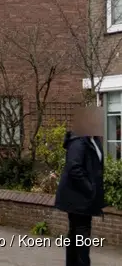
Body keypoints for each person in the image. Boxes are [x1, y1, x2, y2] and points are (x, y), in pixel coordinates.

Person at [55, 104, 105, 266]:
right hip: (78, 197)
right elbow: (74, 167)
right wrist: (89, 188)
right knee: (81, 233)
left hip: (83, 196)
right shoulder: (78, 142)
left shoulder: (93, 140)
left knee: (76, 233)